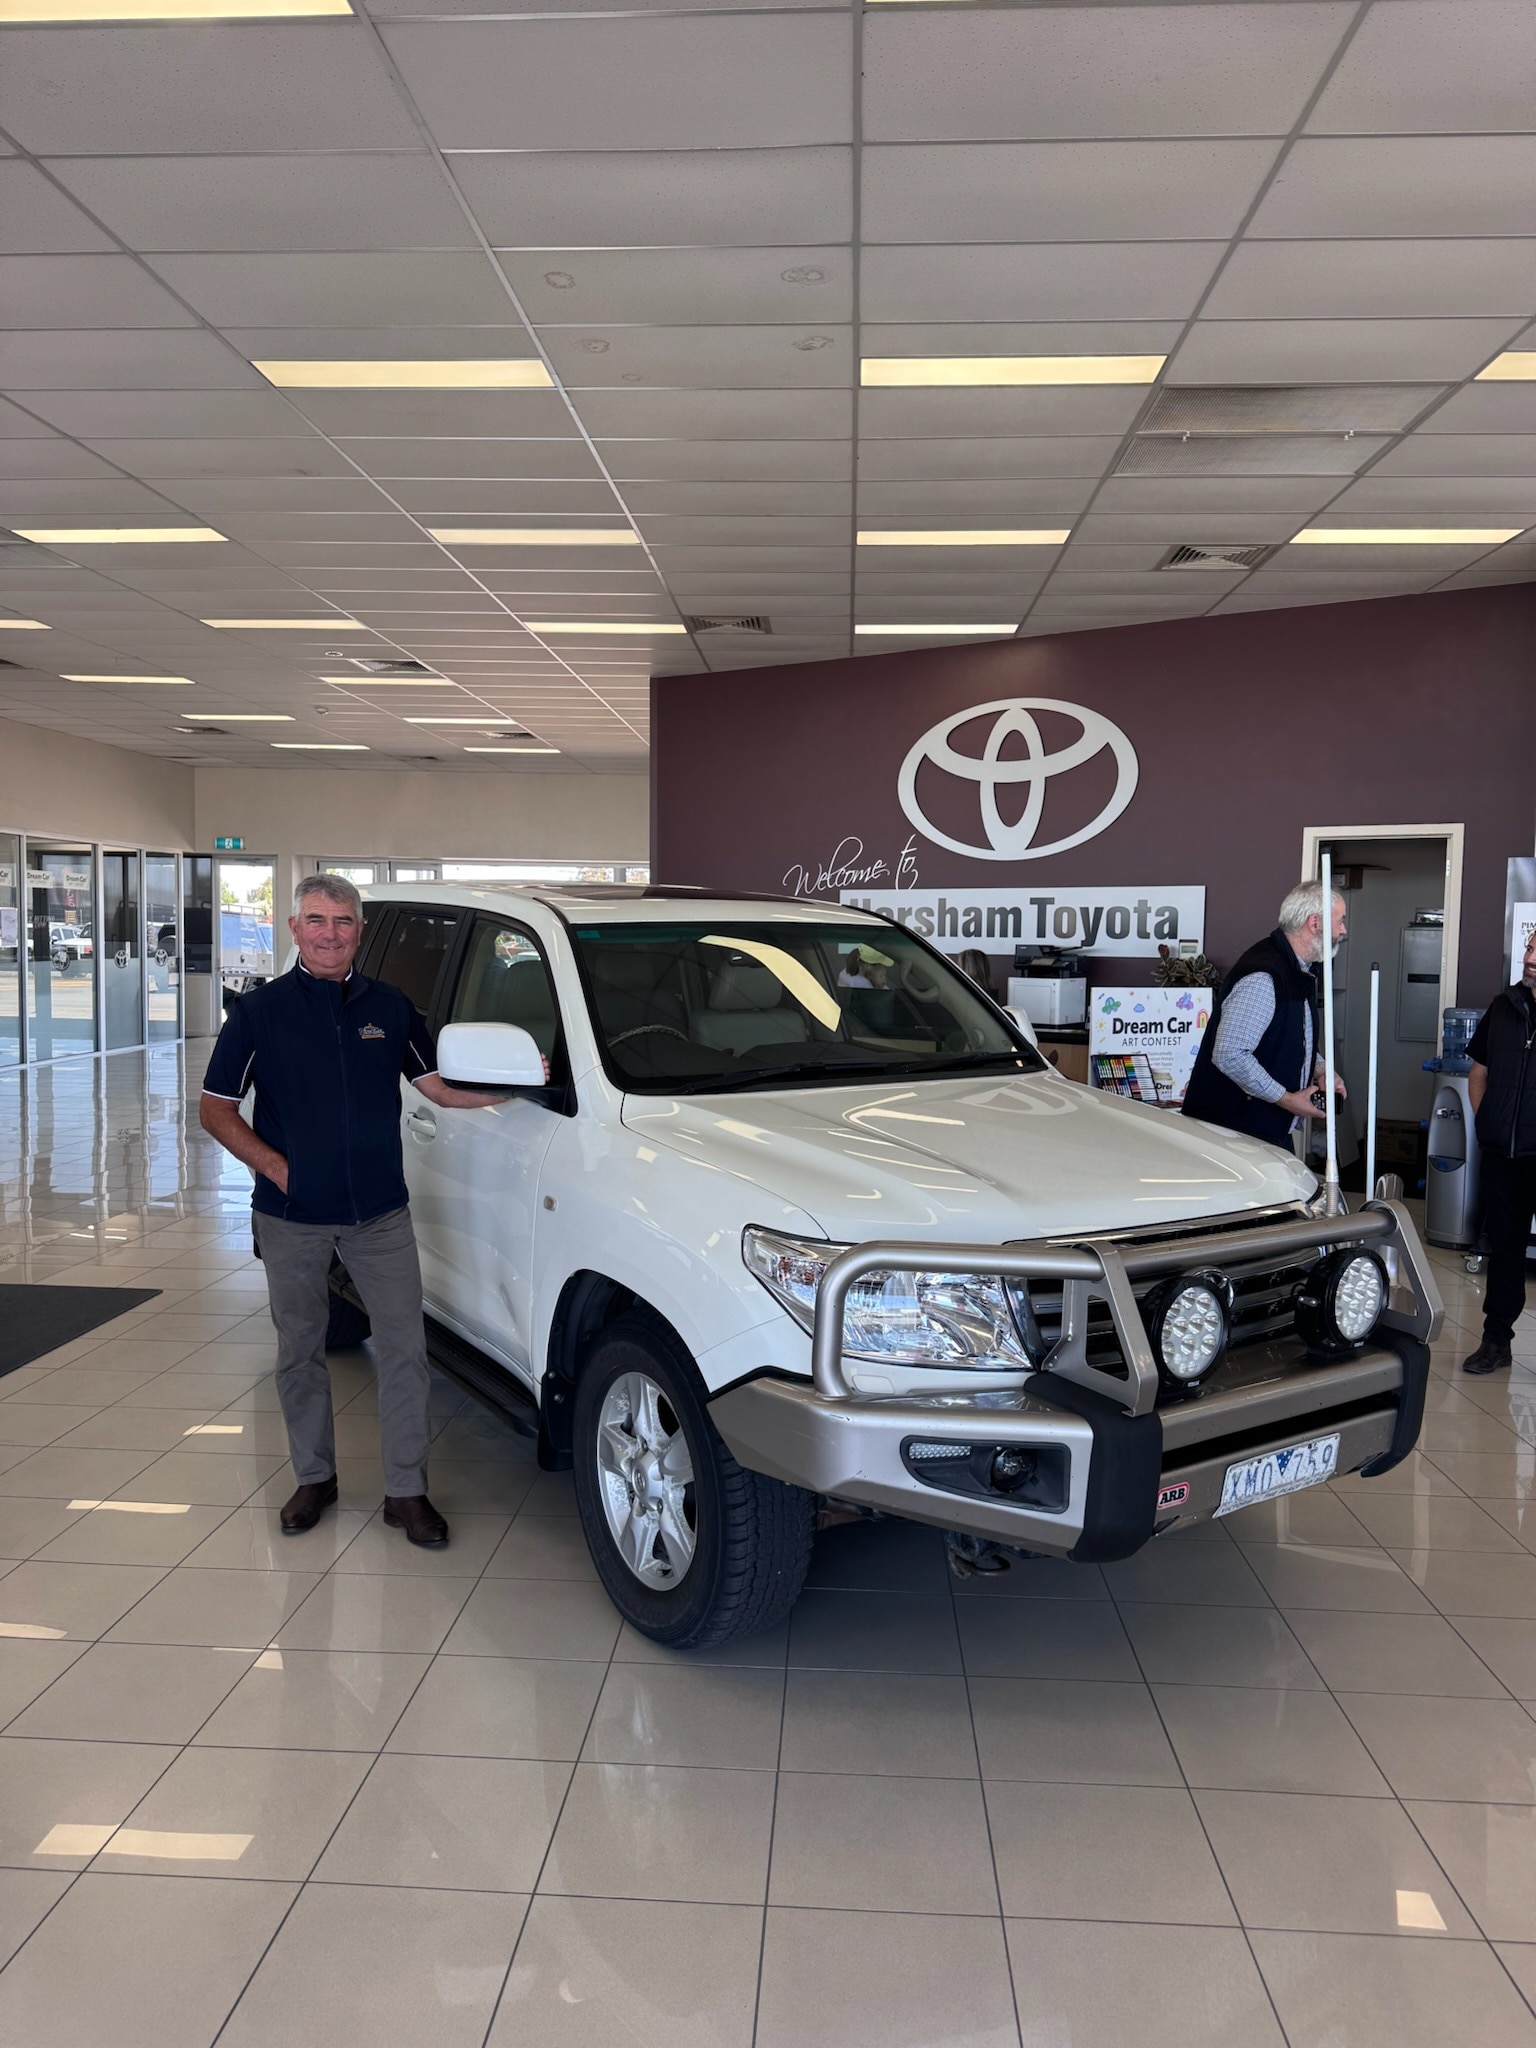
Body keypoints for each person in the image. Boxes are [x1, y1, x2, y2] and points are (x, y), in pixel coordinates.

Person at [199, 874, 505, 1546]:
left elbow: (440, 1088)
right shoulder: (259, 1014)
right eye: (316, 920)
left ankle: (406, 1492)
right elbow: (215, 1109)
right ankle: (314, 1478)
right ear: (294, 928)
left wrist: (517, 1087)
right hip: (291, 1215)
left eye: (342, 921)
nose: (330, 933)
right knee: (301, 1350)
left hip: (380, 1215)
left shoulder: (391, 1007)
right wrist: (279, 1169)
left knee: (404, 1352)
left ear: (359, 931)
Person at [1182, 881, 1347, 1148]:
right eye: (1340, 921)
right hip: (1234, 1133)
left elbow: (1290, 1038)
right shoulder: (1264, 976)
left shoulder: (1296, 970)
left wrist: (1321, 1070)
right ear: (1315, 924)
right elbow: (1229, 1055)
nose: (1343, 930)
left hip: (1263, 1127)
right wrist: (1286, 1099)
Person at [1461, 931, 1536, 1374]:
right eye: (1530, 950)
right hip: (1504, 1155)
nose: (1531, 960)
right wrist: (1485, 1121)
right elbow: (1478, 1073)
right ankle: (1495, 1342)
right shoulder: (1502, 1008)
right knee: (1505, 1250)